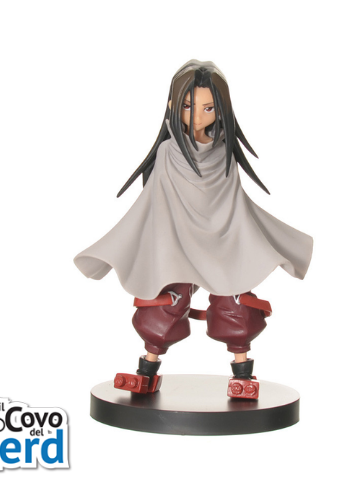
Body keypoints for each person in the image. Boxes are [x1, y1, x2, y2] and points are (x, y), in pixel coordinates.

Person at [74, 60, 313, 398]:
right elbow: (156, 204)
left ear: (221, 109)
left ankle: (243, 374)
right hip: (174, 241)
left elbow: (232, 205)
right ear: (173, 105)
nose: (198, 116)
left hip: (224, 240)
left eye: (208, 108)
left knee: (236, 306)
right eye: (188, 106)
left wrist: (241, 245)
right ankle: (147, 370)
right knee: (164, 307)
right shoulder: (167, 154)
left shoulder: (224, 156)